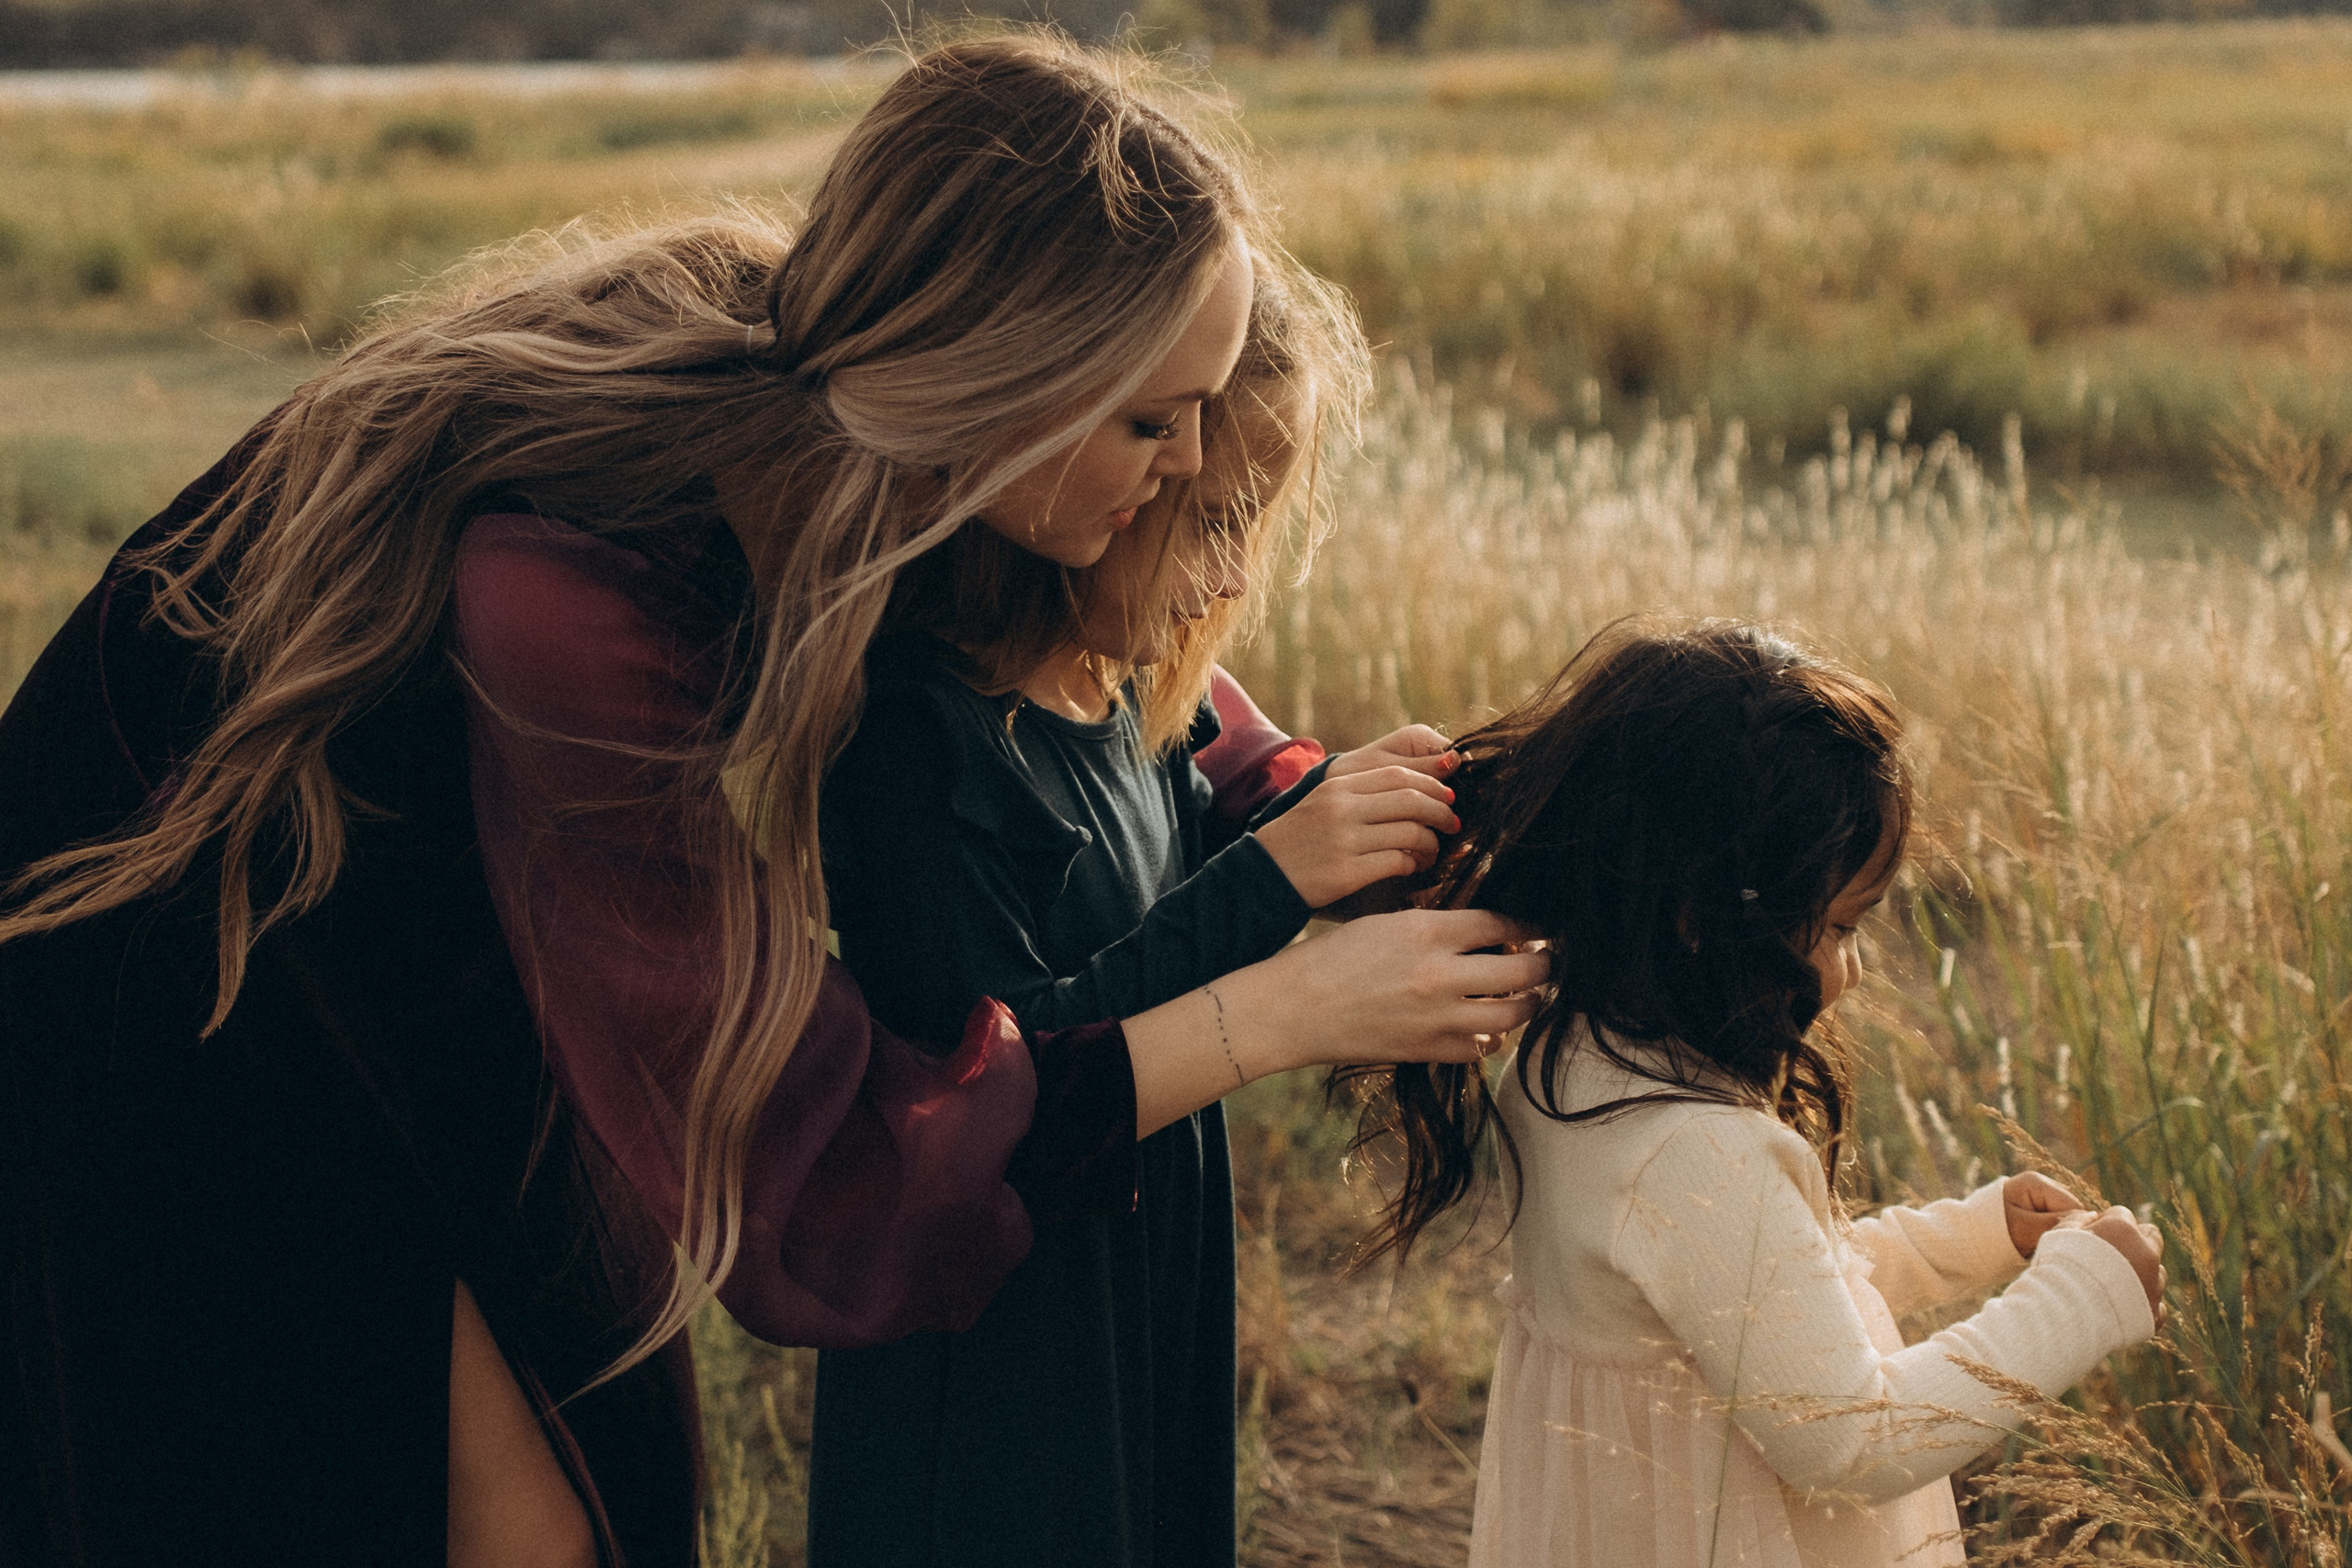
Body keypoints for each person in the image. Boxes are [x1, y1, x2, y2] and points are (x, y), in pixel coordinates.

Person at [0, 34, 1545, 1568]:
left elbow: (1114, 678)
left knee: (579, 1470)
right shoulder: (584, 584)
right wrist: (1285, 1007)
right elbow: (834, 1183)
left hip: (419, 897)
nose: (1194, 461)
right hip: (184, 953)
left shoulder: (878, 402)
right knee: (477, 1510)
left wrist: (1296, 794)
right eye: (1153, 420)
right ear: (1006, 375)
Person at [807, 278, 1462, 1565]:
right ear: (1084, 467)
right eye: (1207, 514)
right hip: (989, 1371)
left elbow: (1256, 821)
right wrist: (1273, 882)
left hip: (1137, 1301)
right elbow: (989, 1098)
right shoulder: (910, 740)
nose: (1229, 569)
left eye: (1252, 523)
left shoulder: (1136, 693)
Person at [1338, 617, 2165, 1568]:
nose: (1851, 974)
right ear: (1702, 917)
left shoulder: (1572, 1062)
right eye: (1841, 927)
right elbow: (1849, 1438)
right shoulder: (1694, 1154)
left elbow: (1753, 1304)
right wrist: (2082, 1296)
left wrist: (1973, 1237)